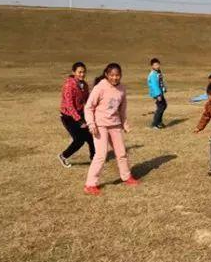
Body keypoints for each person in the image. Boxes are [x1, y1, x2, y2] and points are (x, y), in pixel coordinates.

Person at [83, 63, 140, 195]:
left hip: (115, 124)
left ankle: (126, 177)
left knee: (121, 153)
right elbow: (89, 107)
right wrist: (91, 124)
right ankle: (90, 184)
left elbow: (122, 109)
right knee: (101, 155)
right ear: (107, 75)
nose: (115, 78)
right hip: (100, 125)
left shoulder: (122, 89)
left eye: (117, 75)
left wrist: (124, 124)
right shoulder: (100, 87)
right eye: (112, 75)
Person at [58, 62, 95, 167]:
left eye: (84, 72)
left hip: (80, 114)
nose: (82, 74)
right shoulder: (69, 85)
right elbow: (69, 105)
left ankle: (94, 158)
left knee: (90, 136)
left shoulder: (85, 85)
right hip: (68, 117)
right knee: (79, 140)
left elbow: (88, 101)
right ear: (73, 72)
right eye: (79, 72)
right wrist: (80, 121)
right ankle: (63, 156)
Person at [147, 57, 167, 129]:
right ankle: (155, 124)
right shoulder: (153, 74)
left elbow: (160, 82)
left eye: (158, 64)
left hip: (160, 92)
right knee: (161, 107)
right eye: (155, 65)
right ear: (152, 66)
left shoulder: (158, 73)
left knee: (163, 106)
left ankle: (159, 122)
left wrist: (164, 89)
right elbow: (154, 85)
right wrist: (158, 95)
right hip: (157, 93)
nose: (157, 66)